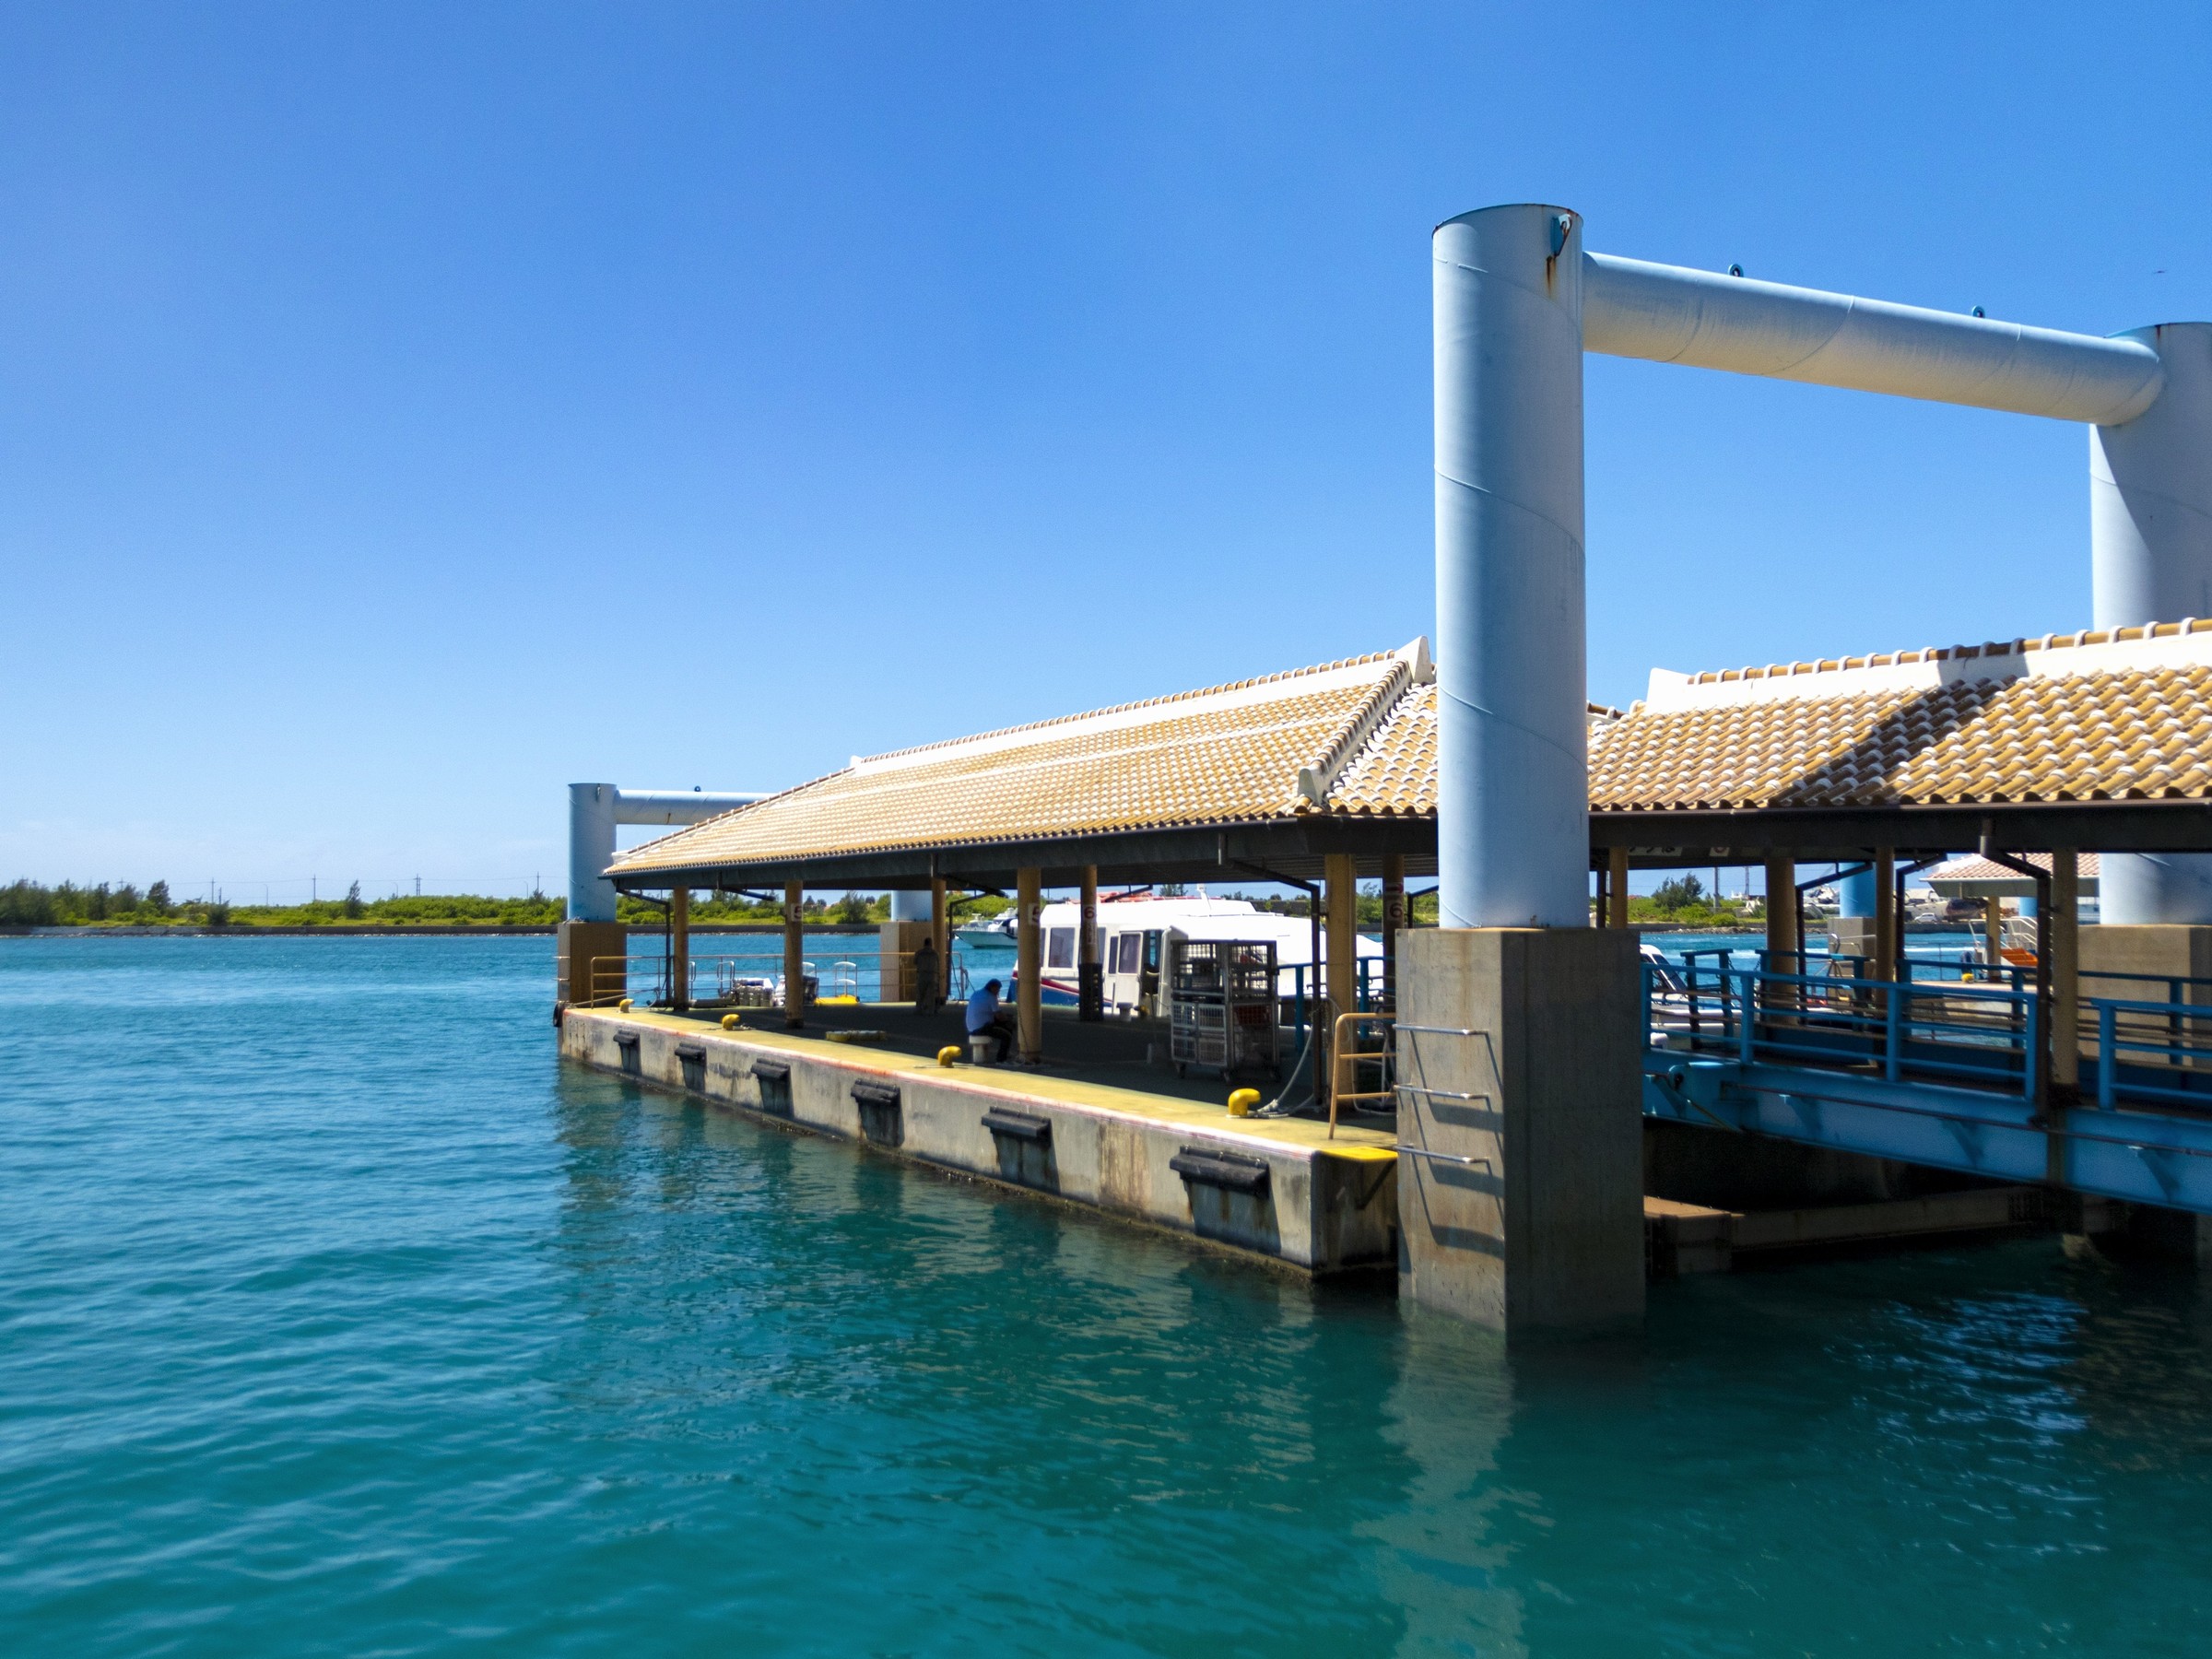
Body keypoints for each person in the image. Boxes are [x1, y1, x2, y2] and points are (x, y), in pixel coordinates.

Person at [966, 977, 1014, 1062]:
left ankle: (1005, 1054)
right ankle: (1001, 1059)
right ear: (992, 988)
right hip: (983, 1028)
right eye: (997, 990)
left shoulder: (976, 993)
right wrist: (1008, 1019)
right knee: (1007, 1035)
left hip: (971, 1028)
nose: (998, 992)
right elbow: (999, 1016)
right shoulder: (991, 997)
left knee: (1003, 1027)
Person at [912, 935, 941, 1016]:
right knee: (931, 995)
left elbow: (915, 962)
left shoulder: (919, 953)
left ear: (924, 944)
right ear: (931, 944)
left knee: (920, 994)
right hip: (932, 975)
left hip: (922, 975)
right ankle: (931, 1011)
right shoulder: (935, 953)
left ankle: (919, 1009)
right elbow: (938, 964)